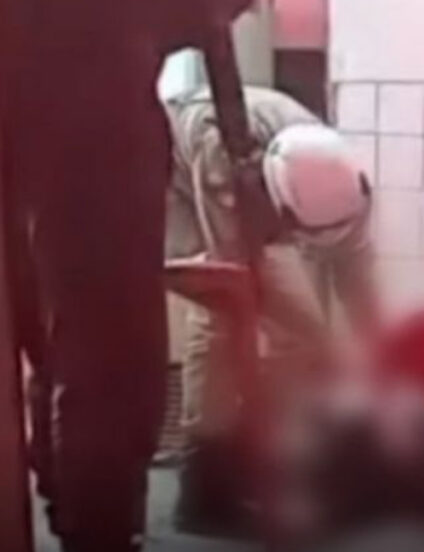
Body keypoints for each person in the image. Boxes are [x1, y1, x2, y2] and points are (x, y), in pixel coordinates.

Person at [5, 1, 250, 550]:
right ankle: (99, 528)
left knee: (56, 344)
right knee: (110, 357)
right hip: (92, 119)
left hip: (39, 110)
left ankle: (74, 510)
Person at [164, 85, 380, 533]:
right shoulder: (222, 154)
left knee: (305, 336)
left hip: (250, 177)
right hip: (173, 177)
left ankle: (280, 455)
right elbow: (232, 276)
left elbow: (358, 281)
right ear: (278, 206)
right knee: (220, 314)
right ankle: (204, 484)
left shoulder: (337, 180)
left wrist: (387, 367)